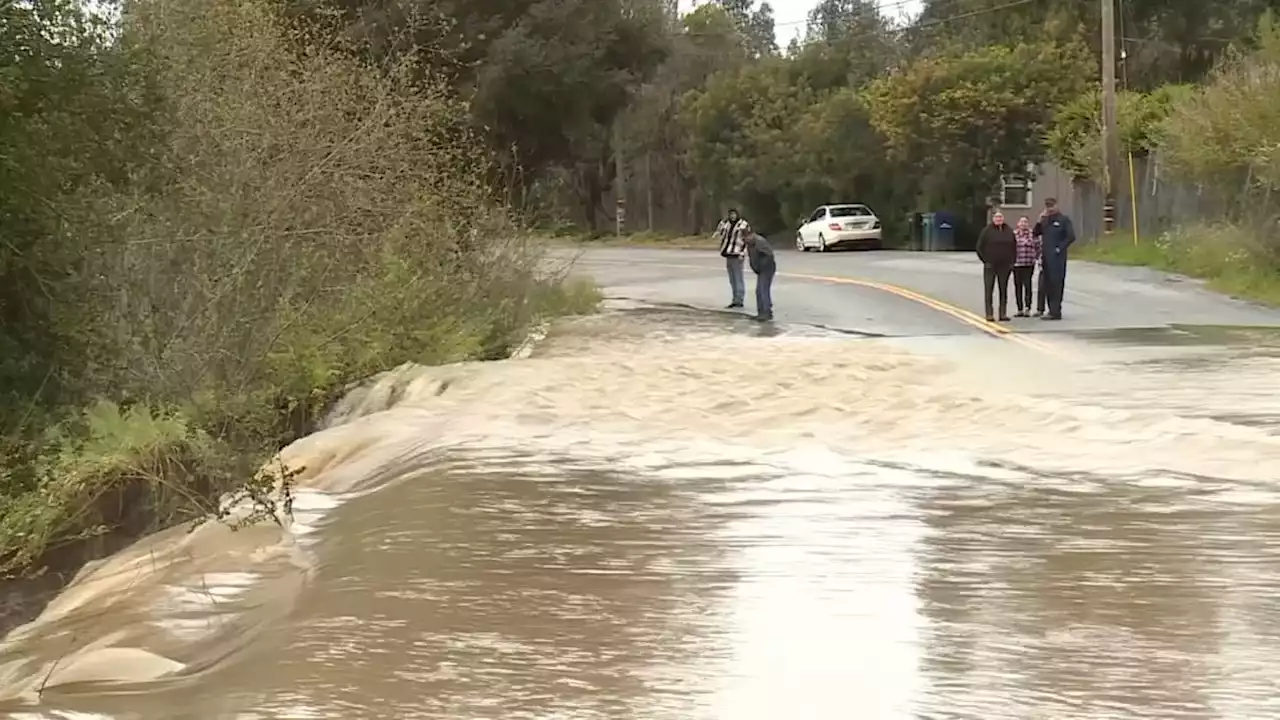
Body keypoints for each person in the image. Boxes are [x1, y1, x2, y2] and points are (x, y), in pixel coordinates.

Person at [1034, 197, 1076, 320]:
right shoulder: (1045, 220)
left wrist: (1059, 248)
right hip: (1046, 257)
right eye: (1048, 206)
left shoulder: (1063, 220)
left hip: (1057, 258)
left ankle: (1056, 311)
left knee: (1056, 283)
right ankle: (1050, 310)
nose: (1050, 208)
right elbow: (1035, 233)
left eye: (1052, 206)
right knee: (1047, 284)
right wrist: (1039, 220)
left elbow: (1071, 237)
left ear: (1056, 206)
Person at [975, 210, 1016, 322]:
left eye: (1000, 218)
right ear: (993, 219)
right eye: (997, 218)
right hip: (990, 265)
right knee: (989, 289)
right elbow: (979, 247)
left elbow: (1014, 247)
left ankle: (1002, 313)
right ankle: (989, 314)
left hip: (1005, 265)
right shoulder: (987, 231)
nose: (999, 219)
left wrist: (1012, 262)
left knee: (1003, 289)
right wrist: (985, 260)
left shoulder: (1009, 231)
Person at [713, 208, 750, 309]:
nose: (732, 216)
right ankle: (735, 299)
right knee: (732, 279)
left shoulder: (743, 225)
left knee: (738, 277)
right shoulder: (726, 224)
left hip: (738, 254)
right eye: (731, 214)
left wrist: (743, 253)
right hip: (728, 253)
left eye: (734, 214)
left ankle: (739, 299)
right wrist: (722, 221)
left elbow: (747, 239)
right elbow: (718, 232)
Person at [1012, 216, 1040, 317]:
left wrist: (1036, 258)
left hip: (1028, 263)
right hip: (1017, 264)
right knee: (1017, 286)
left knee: (1027, 285)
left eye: (1025, 222)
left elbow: (1038, 247)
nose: (1023, 224)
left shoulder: (1033, 234)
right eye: (1022, 222)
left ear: (1028, 224)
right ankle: (1019, 309)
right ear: (1018, 224)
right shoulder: (1014, 234)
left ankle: (1028, 308)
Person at [744, 231, 775, 321]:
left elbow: (769, 255)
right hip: (761, 269)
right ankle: (761, 312)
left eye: (745, 238)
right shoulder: (750, 244)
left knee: (763, 290)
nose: (744, 240)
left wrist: (762, 265)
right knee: (759, 291)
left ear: (750, 235)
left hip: (767, 268)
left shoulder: (759, 242)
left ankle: (767, 312)